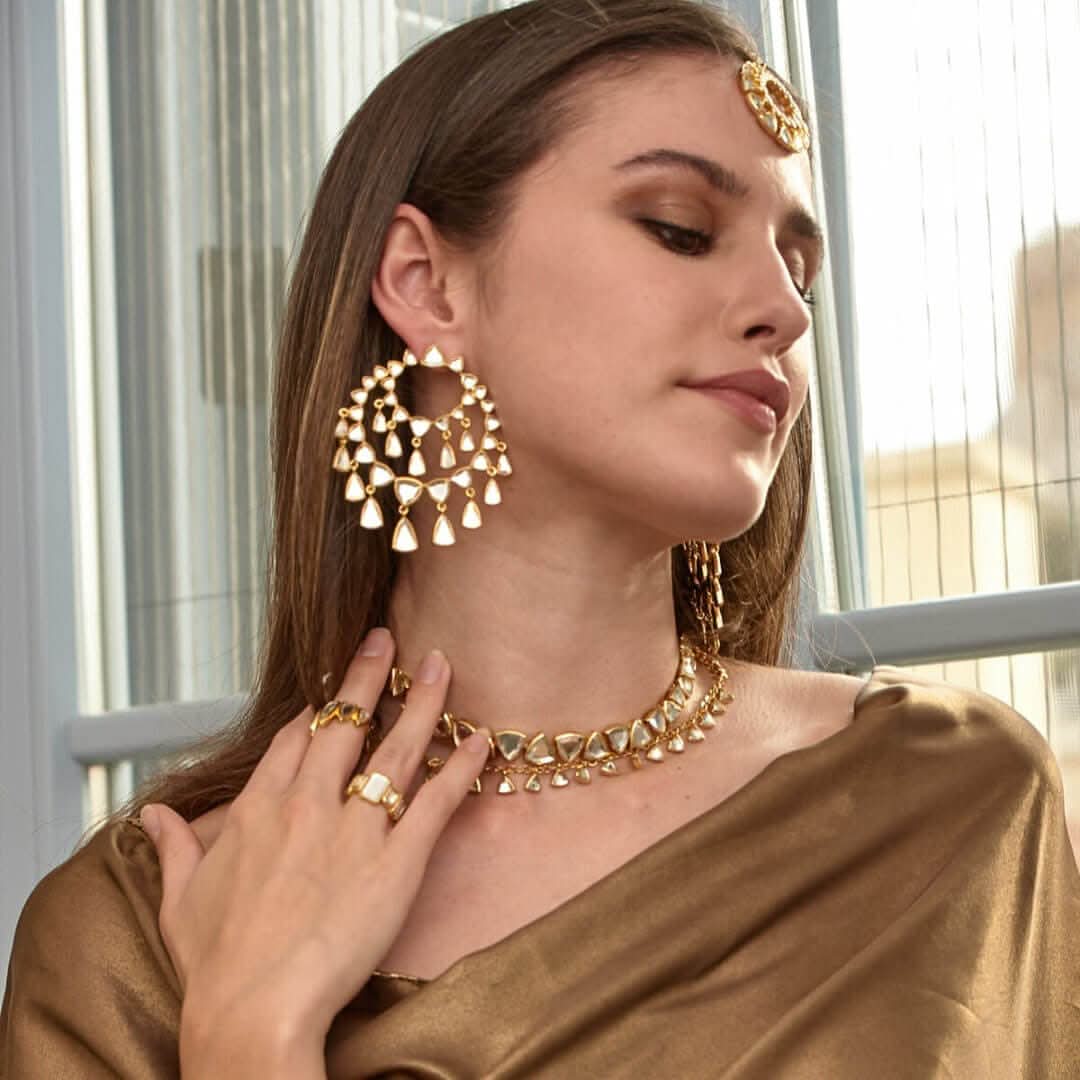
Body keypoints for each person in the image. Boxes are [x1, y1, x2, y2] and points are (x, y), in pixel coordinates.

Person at [3, 0, 1079, 1075]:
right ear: (425, 283)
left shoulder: (948, 807)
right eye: (680, 227)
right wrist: (248, 1030)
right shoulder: (142, 931)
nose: (786, 312)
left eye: (802, 272)